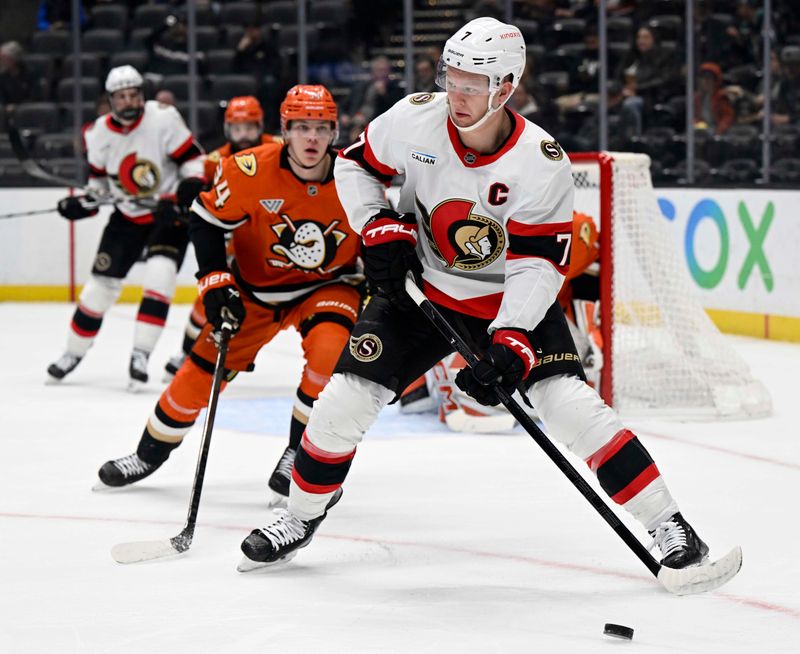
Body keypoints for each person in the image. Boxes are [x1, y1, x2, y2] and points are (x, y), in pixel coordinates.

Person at [238, 17, 729, 583]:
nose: (458, 93)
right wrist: (376, 225)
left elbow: (537, 264)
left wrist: (512, 335)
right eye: (452, 76)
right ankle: (299, 517)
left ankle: (669, 523)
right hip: (421, 290)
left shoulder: (540, 163)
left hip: (507, 301)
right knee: (344, 400)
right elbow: (353, 164)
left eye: (474, 83)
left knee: (570, 406)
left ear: (505, 87)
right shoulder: (415, 118)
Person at [96, 86, 363, 513]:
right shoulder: (248, 169)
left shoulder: (355, 175)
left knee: (328, 356)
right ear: (284, 131)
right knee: (196, 377)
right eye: (301, 128)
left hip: (327, 287)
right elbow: (204, 220)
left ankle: (298, 452)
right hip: (255, 291)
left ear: (334, 131)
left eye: (320, 128)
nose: (311, 139)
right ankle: (148, 455)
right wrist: (215, 281)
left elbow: (379, 229)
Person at [46, 65, 205, 390]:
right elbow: (98, 187)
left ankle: (141, 355)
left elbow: (193, 160)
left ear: (142, 95)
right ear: (111, 100)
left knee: (159, 278)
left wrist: (182, 193)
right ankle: (72, 353)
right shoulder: (97, 133)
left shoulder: (163, 117)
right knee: (99, 289)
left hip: (167, 214)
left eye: (134, 94)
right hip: (127, 218)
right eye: (122, 97)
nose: (129, 101)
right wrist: (80, 205)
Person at [162, 95, 284, 381]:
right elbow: (200, 195)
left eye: (250, 128)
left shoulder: (278, 148)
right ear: (228, 129)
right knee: (211, 296)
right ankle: (187, 352)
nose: (244, 136)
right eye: (238, 129)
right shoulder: (213, 161)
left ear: (260, 126)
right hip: (233, 239)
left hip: (273, 239)